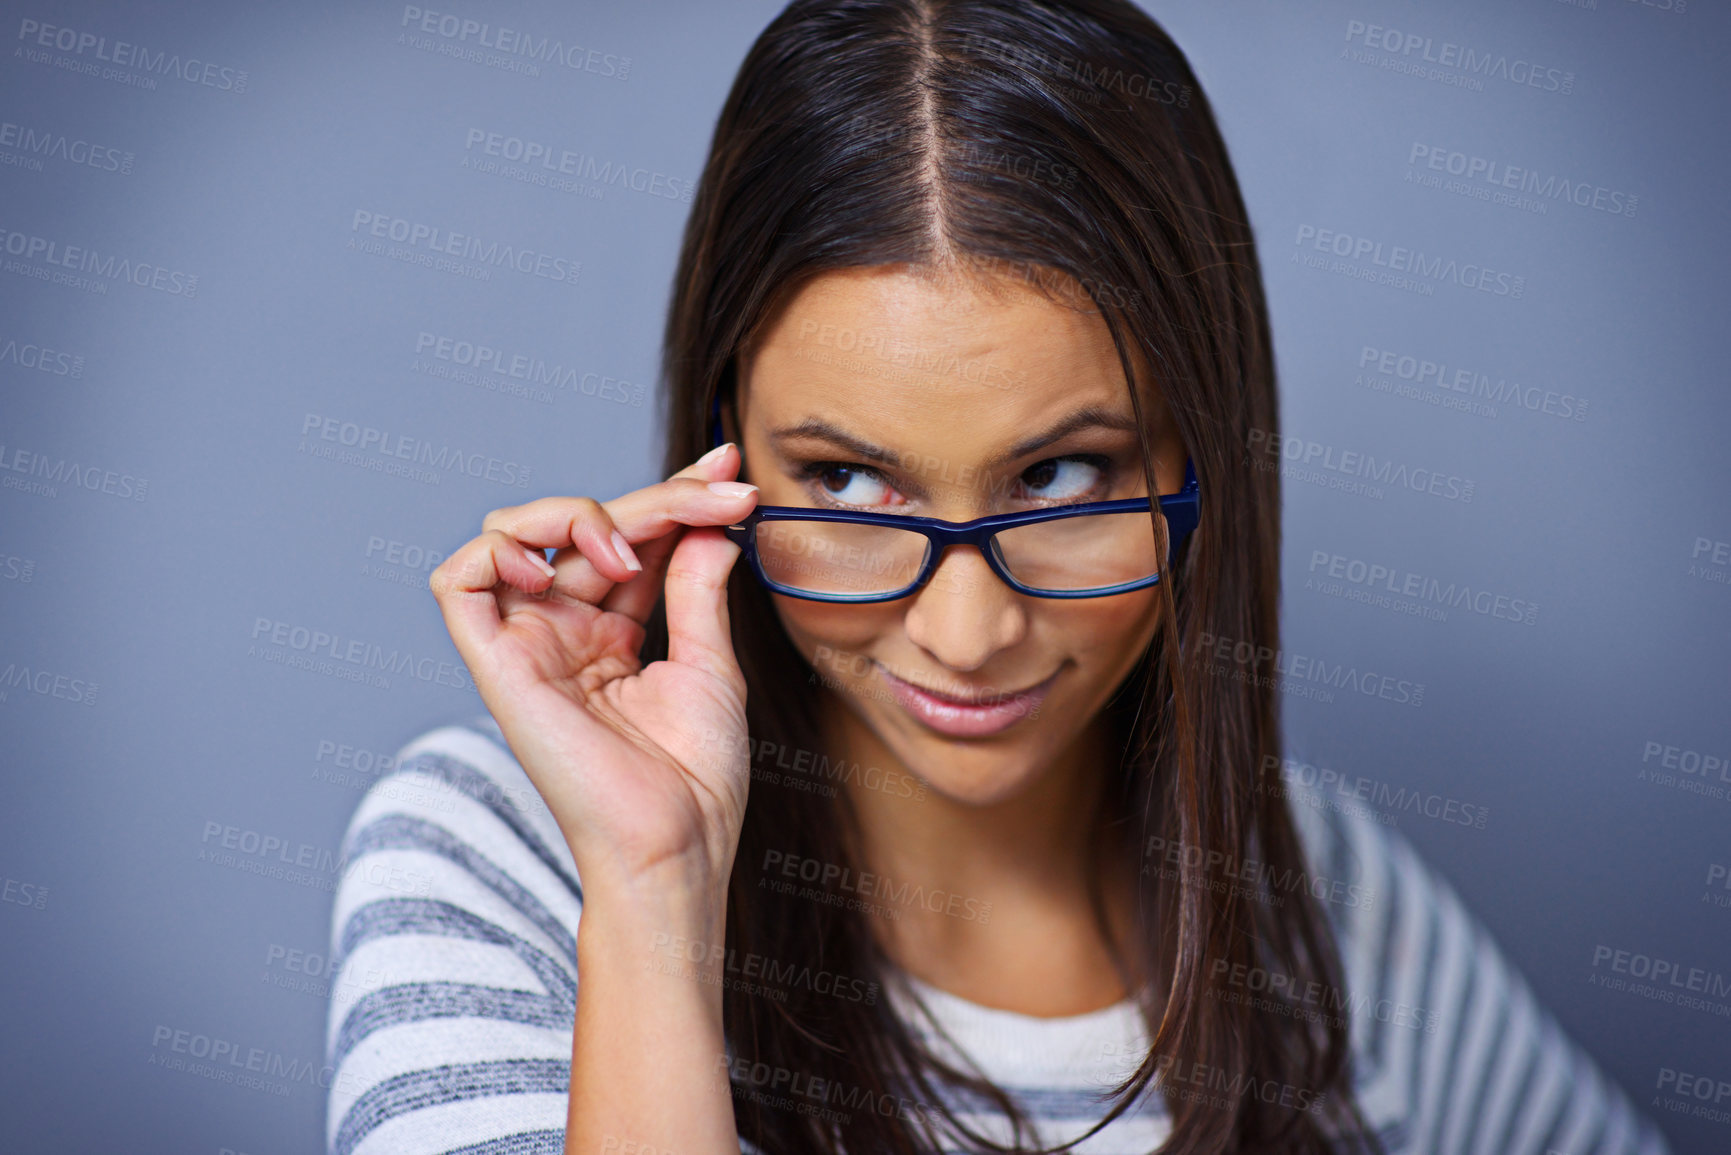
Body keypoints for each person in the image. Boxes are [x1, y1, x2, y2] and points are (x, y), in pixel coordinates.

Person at [323, 2, 1675, 1153]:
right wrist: (652, 879)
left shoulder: (1319, 894)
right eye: (848, 482)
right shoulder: (501, 854)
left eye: (1064, 476)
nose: (966, 633)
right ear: (723, 450)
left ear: (1200, 446)